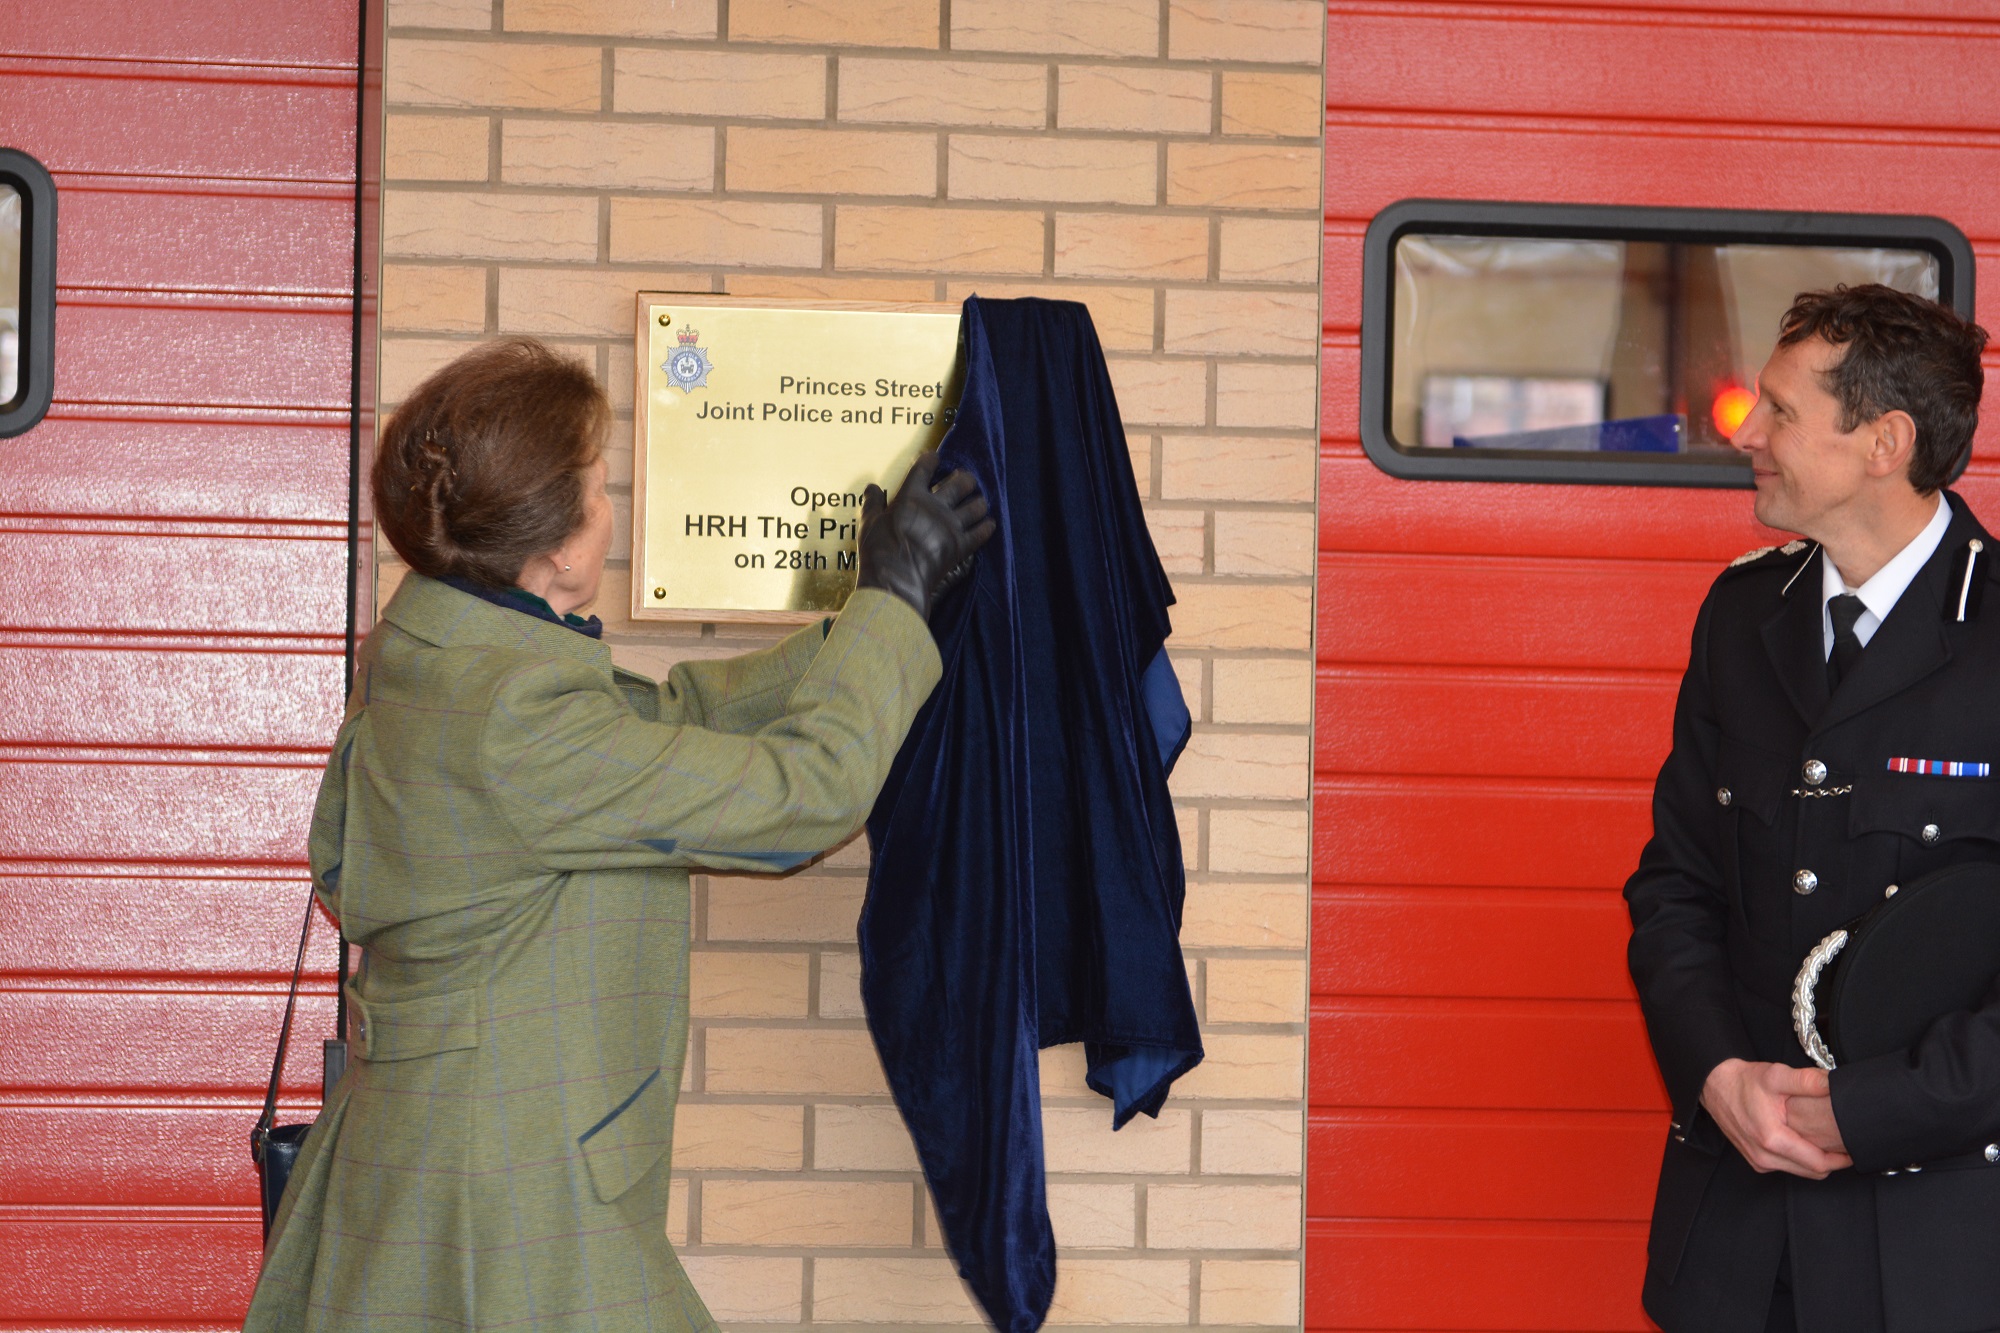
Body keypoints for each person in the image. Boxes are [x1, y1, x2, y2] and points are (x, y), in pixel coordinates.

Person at [243, 336, 992, 1330]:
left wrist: (859, 624)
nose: (611, 511)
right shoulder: (514, 714)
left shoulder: (435, 642)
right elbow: (804, 794)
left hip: (428, 1152)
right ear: (553, 545)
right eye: (598, 491)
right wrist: (895, 605)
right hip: (507, 1188)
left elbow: (661, 717)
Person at [1625, 284, 2000, 1333]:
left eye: (1780, 409)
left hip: (1939, 1245)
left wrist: (1867, 1112)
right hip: (1737, 1242)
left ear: (1882, 441)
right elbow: (1675, 887)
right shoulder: (1742, 613)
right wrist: (1710, 1073)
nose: (1746, 428)